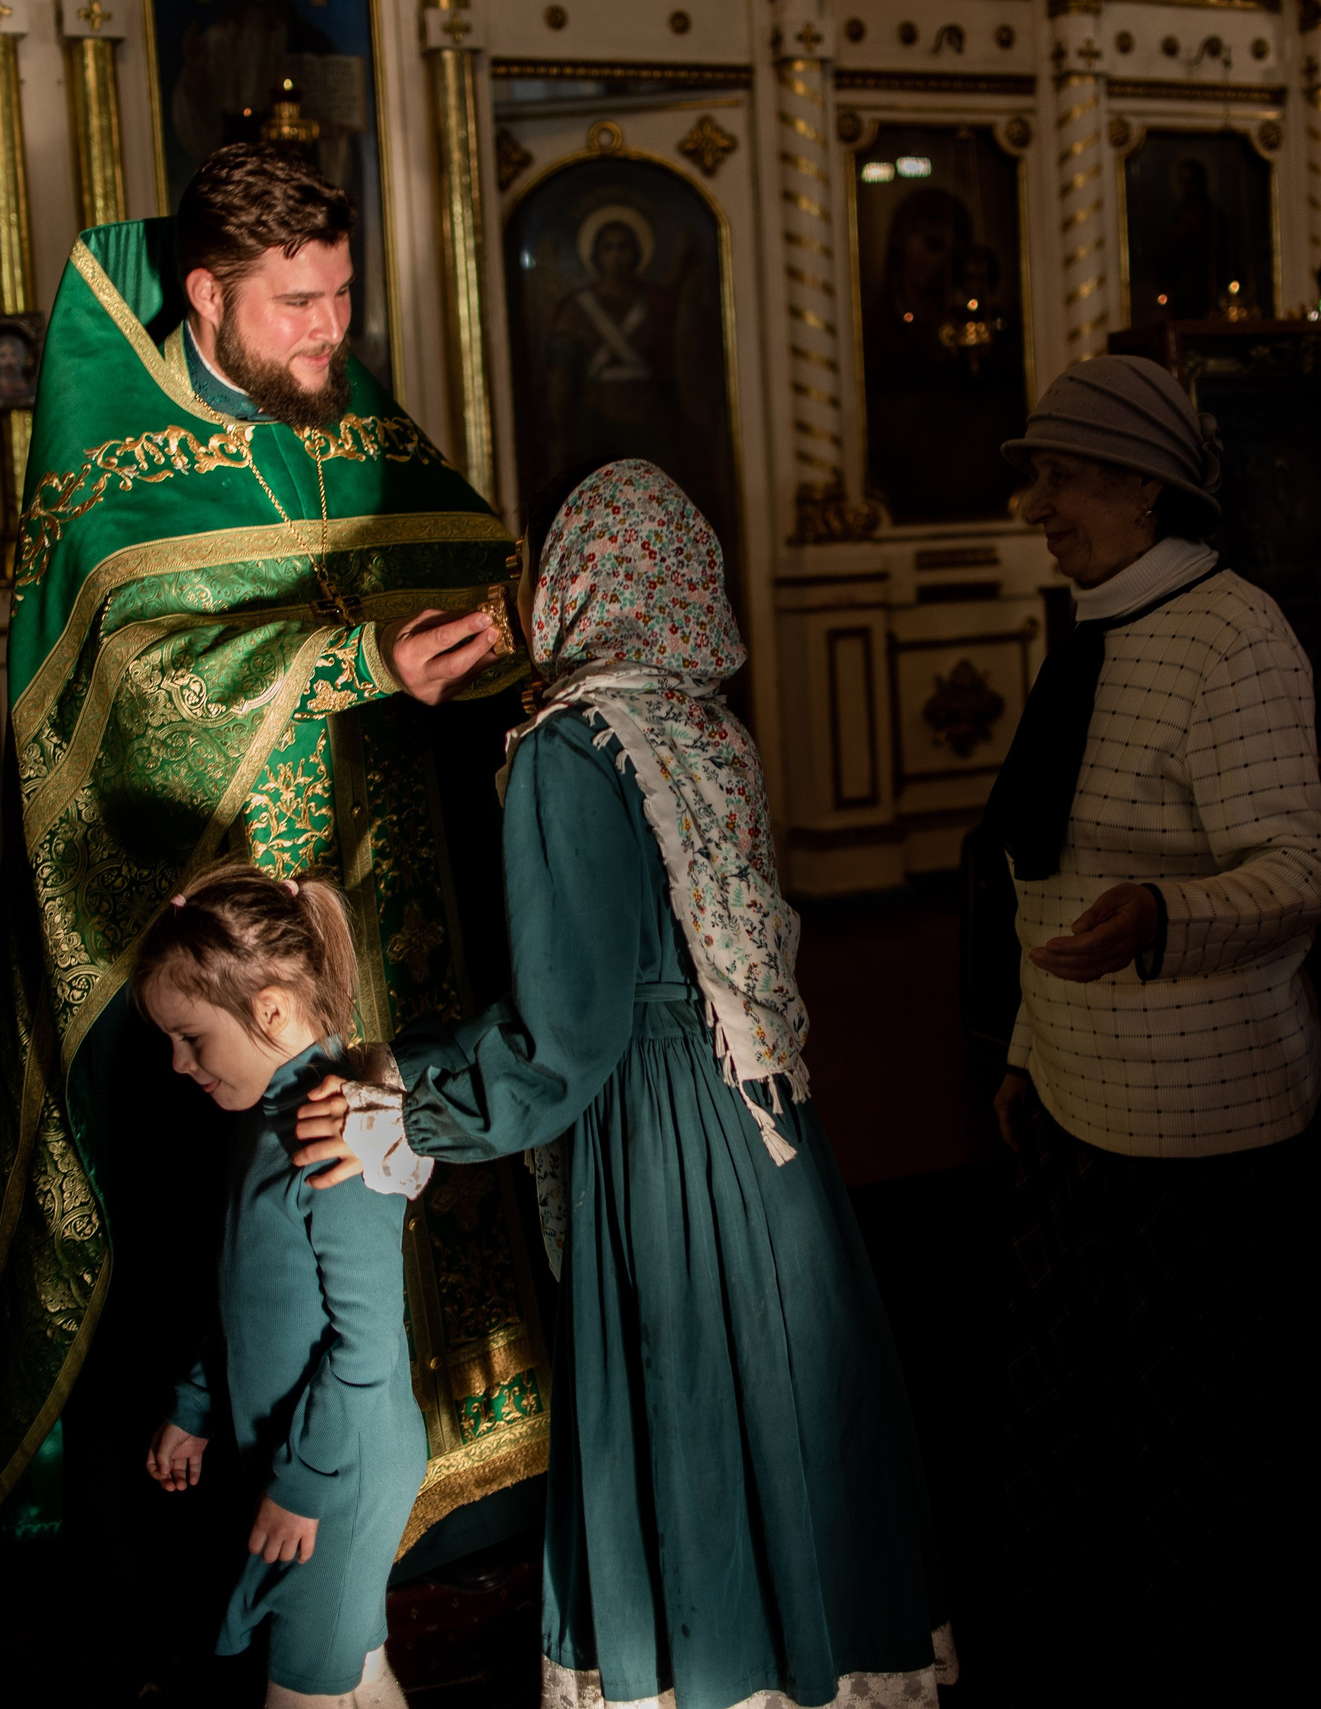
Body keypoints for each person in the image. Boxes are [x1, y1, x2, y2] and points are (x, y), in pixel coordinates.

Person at [288, 461, 954, 1709]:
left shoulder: (566, 748)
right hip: (757, 1129)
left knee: (687, 1402)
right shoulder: (697, 720)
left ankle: (701, 1674)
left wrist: (407, 1111)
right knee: (775, 1402)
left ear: (586, 575)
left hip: (659, 1143)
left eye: (537, 559)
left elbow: (564, 1042)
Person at [0, 142, 551, 1582]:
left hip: (385, 882)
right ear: (207, 295)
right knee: (236, 1205)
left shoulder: (338, 402)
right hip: (216, 931)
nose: (330, 331)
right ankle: (257, 1475)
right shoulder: (115, 450)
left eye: (343, 294)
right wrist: (356, 653)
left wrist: (494, 635)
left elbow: (467, 558)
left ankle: (446, 1471)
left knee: (404, 1158)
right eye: (297, 302)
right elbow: (135, 670)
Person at [978, 355, 1321, 1598]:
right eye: (1036, 476)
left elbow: (1302, 872)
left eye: (1061, 478)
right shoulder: (1100, 625)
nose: (1036, 504)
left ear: (1143, 488)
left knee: (1194, 1447)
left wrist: (1160, 915)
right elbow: (1050, 862)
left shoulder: (1231, 634)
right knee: (1083, 1418)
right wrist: (1030, 1049)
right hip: (1085, 1104)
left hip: (1201, 1132)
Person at [135, 866, 425, 1709]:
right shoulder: (259, 1114)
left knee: (307, 1688)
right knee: (350, 1672)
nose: (180, 1063)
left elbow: (365, 1345)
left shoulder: (337, 1132)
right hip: (300, 1458)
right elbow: (242, 1295)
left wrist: (304, 1487)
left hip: (342, 1465)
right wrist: (195, 1403)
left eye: (192, 1038)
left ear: (268, 1008)